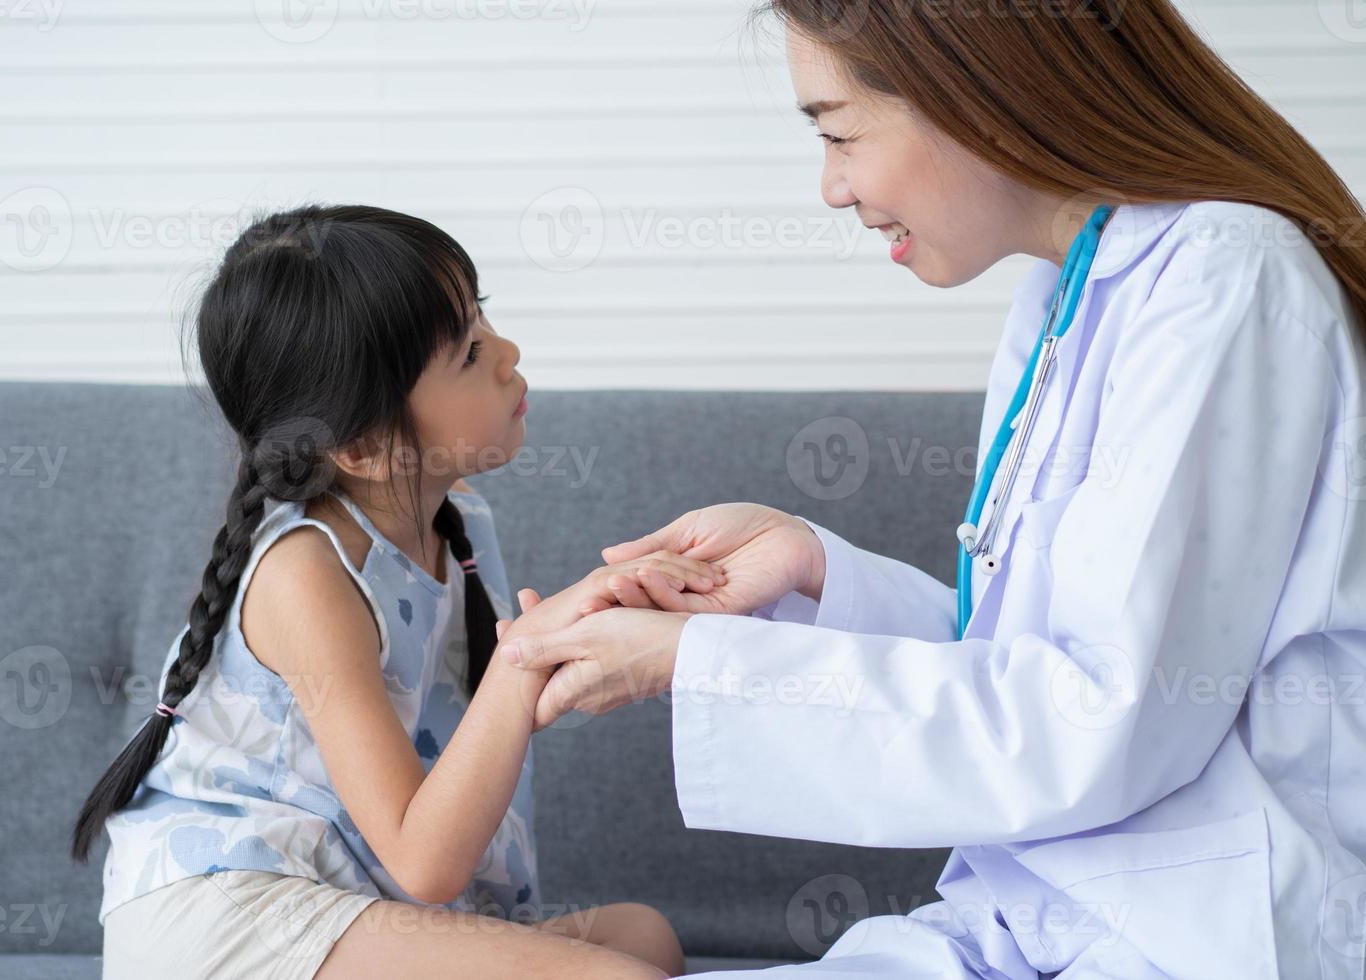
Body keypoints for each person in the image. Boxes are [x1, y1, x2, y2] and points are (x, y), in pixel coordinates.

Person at [496, 2, 1366, 976]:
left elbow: (1105, 720)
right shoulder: (1062, 294)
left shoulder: (1223, 281)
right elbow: (1043, 663)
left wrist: (697, 660)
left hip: (1190, 936)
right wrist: (817, 565)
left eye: (837, 133)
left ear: (976, 94)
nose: (832, 187)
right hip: (1030, 919)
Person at [71, 205, 698, 979]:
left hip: (340, 898)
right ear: (363, 446)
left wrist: (604, 621)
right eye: (468, 352)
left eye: (485, 319)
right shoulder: (307, 575)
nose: (508, 354)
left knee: (644, 938)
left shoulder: (459, 520)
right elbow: (423, 861)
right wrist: (525, 660)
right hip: (226, 916)